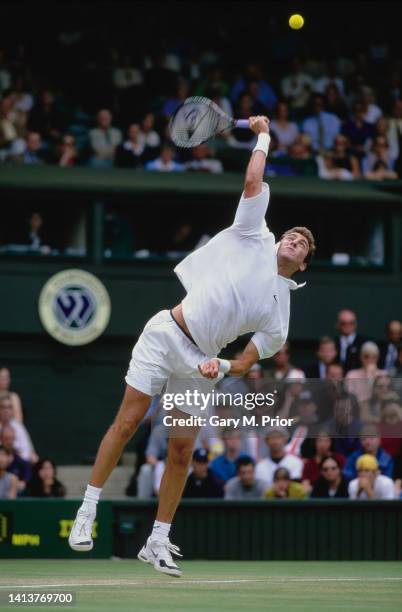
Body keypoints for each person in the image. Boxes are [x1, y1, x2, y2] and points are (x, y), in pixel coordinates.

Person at [69, 115, 316, 577]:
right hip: (166, 334)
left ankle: (158, 539)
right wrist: (262, 134)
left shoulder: (278, 318)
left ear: (302, 264)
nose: (293, 240)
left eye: (302, 243)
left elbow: (245, 362)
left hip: (201, 363)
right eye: (291, 234)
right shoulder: (253, 234)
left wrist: (221, 366)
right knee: (126, 422)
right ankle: (86, 511)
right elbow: (251, 178)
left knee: (181, 451)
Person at [0, 392, 37, 463]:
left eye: (9, 407)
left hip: (17, 462)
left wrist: (15, 457)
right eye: (3, 407)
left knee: (34, 458)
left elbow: (26, 450)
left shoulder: (18, 426)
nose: (6, 410)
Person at [0, 425, 31, 491]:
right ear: (1, 438)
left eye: (12, 438)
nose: (9, 442)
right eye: (6, 438)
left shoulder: (20, 461)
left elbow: (25, 480)